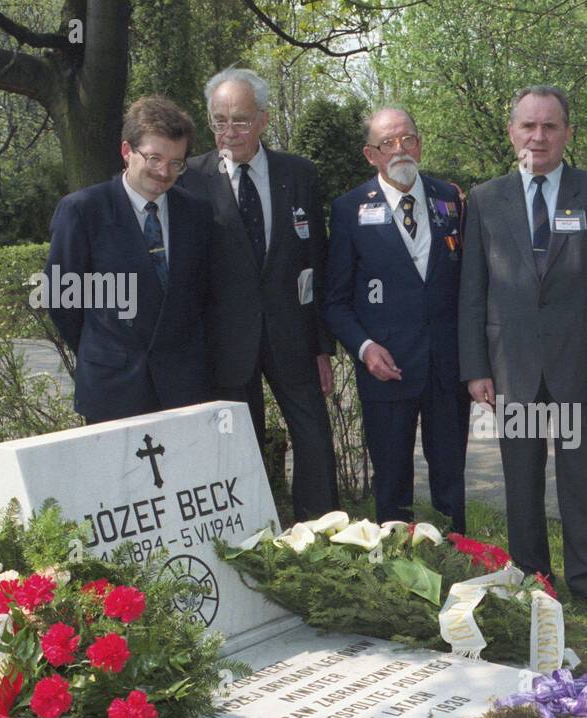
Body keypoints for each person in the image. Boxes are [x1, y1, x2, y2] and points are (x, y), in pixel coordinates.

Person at [459, 85, 587, 619]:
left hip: (578, 368)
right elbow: (472, 290)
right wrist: (475, 368)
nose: (538, 136)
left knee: (584, 480)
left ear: (567, 134)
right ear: (512, 131)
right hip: (513, 370)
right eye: (528, 126)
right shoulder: (487, 199)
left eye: (550, 126)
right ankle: (532, 579)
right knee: (521, 482)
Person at [176, 67, 338, 520]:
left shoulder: (300, 173)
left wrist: (323, 345)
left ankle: (325, 538)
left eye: (241, 120)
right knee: (232, 451)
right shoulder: (189, 178)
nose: (230, 132)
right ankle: (247, 542)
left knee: (315, 443)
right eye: (219, 120)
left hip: (292, 337)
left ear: (263, 120)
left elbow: (316, 261)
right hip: (224, 344)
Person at [323, 108, 470, 532]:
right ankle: (395, 575)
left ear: (420, 144)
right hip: (386, 369)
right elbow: (334, 302)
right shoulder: (350, 209)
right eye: (388, 143)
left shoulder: (450, 199)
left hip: (446, 368)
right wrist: (365, 348)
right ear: (371, 154)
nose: (400, 149)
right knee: (391, 488)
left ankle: (456, 567)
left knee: (450, 484)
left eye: (408, 139)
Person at [46, 96, 212, 424]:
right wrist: (107, 350)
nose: (164, 172)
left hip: (185, 390)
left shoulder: (197, 213)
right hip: (114, 389)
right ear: (126, 151)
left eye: (176, 162)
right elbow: (63, 301)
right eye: (154, 158)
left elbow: (202, 297)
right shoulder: (82, 211)